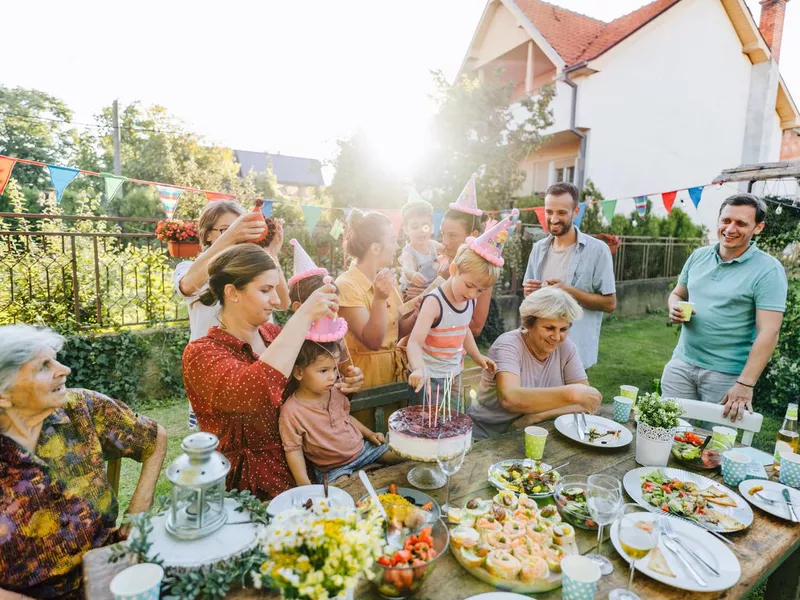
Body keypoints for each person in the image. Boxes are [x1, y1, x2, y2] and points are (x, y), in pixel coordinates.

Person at [182, 244, 364, 501]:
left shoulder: (273, 335)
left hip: (304, 472)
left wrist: (343, 383)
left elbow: (309, 390)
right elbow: (253, 394)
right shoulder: (202, 353)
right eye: (266, 290)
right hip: (248, 489)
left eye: (275, 289)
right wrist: (302, 316)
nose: (277, 300)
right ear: (232, 292)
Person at [0, 325, 167, 599]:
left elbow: (153, 437)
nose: (63, 369)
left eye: (55, 358)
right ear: (3, 394)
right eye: (43, 366)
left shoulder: (80, 409)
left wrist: (138, 512)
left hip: (110, 570)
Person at [662, 193, 787, 422]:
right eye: (726, 220)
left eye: (741, 223)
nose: (730, 229)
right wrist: (674, 306)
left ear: (758, 228)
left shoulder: (768, 270)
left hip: (727, 376)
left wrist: (745, 383)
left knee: (716, 450)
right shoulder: (699, 256)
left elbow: (769, 331)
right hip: (681, 364)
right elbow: (678, 293)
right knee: (667, 434)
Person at [173, 200, 290, 428]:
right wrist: (232, 237)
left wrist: (270, 254)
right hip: (215, 366)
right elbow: (188, 285)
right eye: (225, 229)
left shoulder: (252, 268)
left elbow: (284, 303)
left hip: (258, 359)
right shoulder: (189, 267)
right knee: (220, 438)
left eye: (239, 227)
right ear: (207, 235)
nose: (235, 234)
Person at [406, 212, 520, 407]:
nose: (473, 294)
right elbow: (414, 342)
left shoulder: (469, 299)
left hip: (455, 375)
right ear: (453, 270)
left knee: (453, 421)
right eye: (469, 286)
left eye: (480, 290)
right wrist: (418, 369)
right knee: (429, 427)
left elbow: (463, 328)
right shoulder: (434, 302)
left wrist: (477, 356)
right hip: (427, 378)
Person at [467, 287, 603, 440]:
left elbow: (586, 403)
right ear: (529, 324)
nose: (556, 337)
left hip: (536, 431)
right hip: (489, 439)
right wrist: (572, 394)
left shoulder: (567, 348)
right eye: (549, 328)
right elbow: (510, 399)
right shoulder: (508, 345)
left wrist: (538, 416)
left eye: (563, 329)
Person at [280, 339, 403, 486]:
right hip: (333, 468)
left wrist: (370, 434)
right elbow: (293, 449)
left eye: (334, 369)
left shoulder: (336, 391)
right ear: (299, 372)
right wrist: (304, 484)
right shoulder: (292, 411)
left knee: (400, 458)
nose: (332, 376)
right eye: (324, 370)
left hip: (363, 450)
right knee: (342, 490)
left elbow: (346, 417)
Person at [523, 182, 616, 369]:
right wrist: (530, 291)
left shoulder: (598, 250)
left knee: (571, 399)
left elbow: (610, 304)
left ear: (576, 211)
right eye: (549, 212)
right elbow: (530, 299)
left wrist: (568, 291)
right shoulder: (538, 248)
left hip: (574, 352)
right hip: (538, 349)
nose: (554, 219)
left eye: (561, 213)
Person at [336, 209, 419, 389]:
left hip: (393, 374)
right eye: (392, 240)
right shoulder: (346, 285)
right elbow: (373, 341)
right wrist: (379, 299)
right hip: (365, 378)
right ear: (375, 248)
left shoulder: (387, 280)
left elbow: (394, 332)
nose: (397, 247)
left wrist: (417, 314)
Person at [399, 193, 444, 297]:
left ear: (432, 228)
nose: (421, 231)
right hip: (411, 292)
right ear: (406, 229)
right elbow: (407, 268)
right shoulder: (409, 252)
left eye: (425, 226)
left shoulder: (433, 245)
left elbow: (447, 250)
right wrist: (413, 274)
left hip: (430, 289)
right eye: (415, 227)